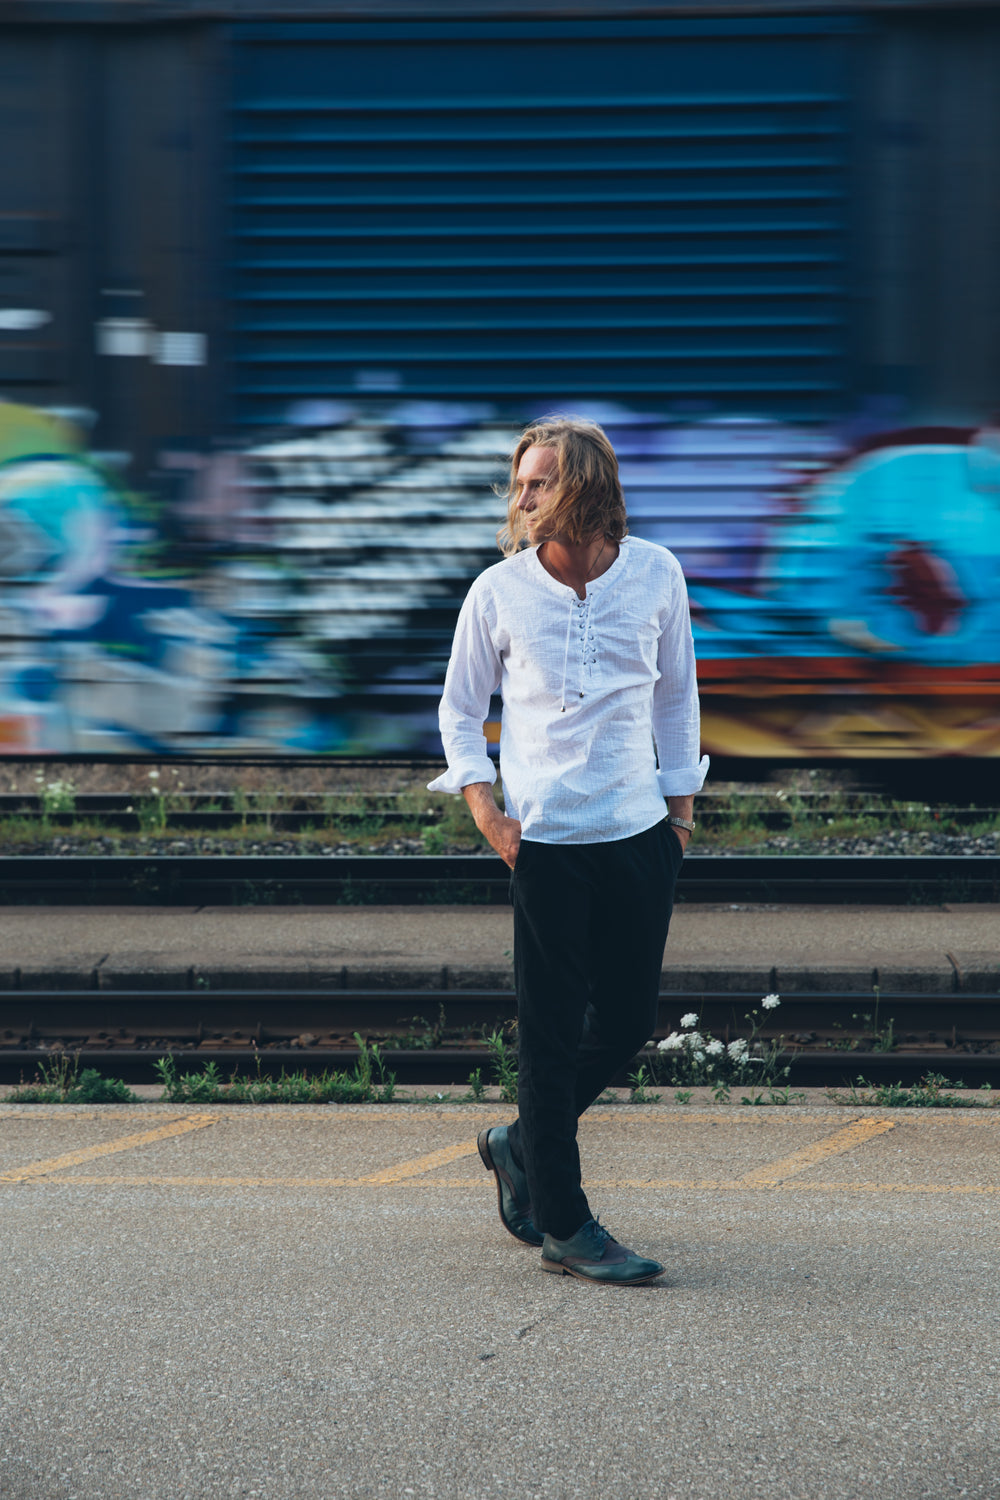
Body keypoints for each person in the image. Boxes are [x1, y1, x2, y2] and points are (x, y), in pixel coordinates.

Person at [428, 416, 708, 1286]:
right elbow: (458, 709)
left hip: (637, 835)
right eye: (519, 482)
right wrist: (488, 813)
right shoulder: (498, 592)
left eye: (538, 482)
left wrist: (681, 819)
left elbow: (676, 699)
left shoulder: (657, 574)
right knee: (548, 1041)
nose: (520, 497)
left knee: (623, 1024)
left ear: (584, 485)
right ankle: (565, 1223)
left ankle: (520, 1145)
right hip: (545, 842)